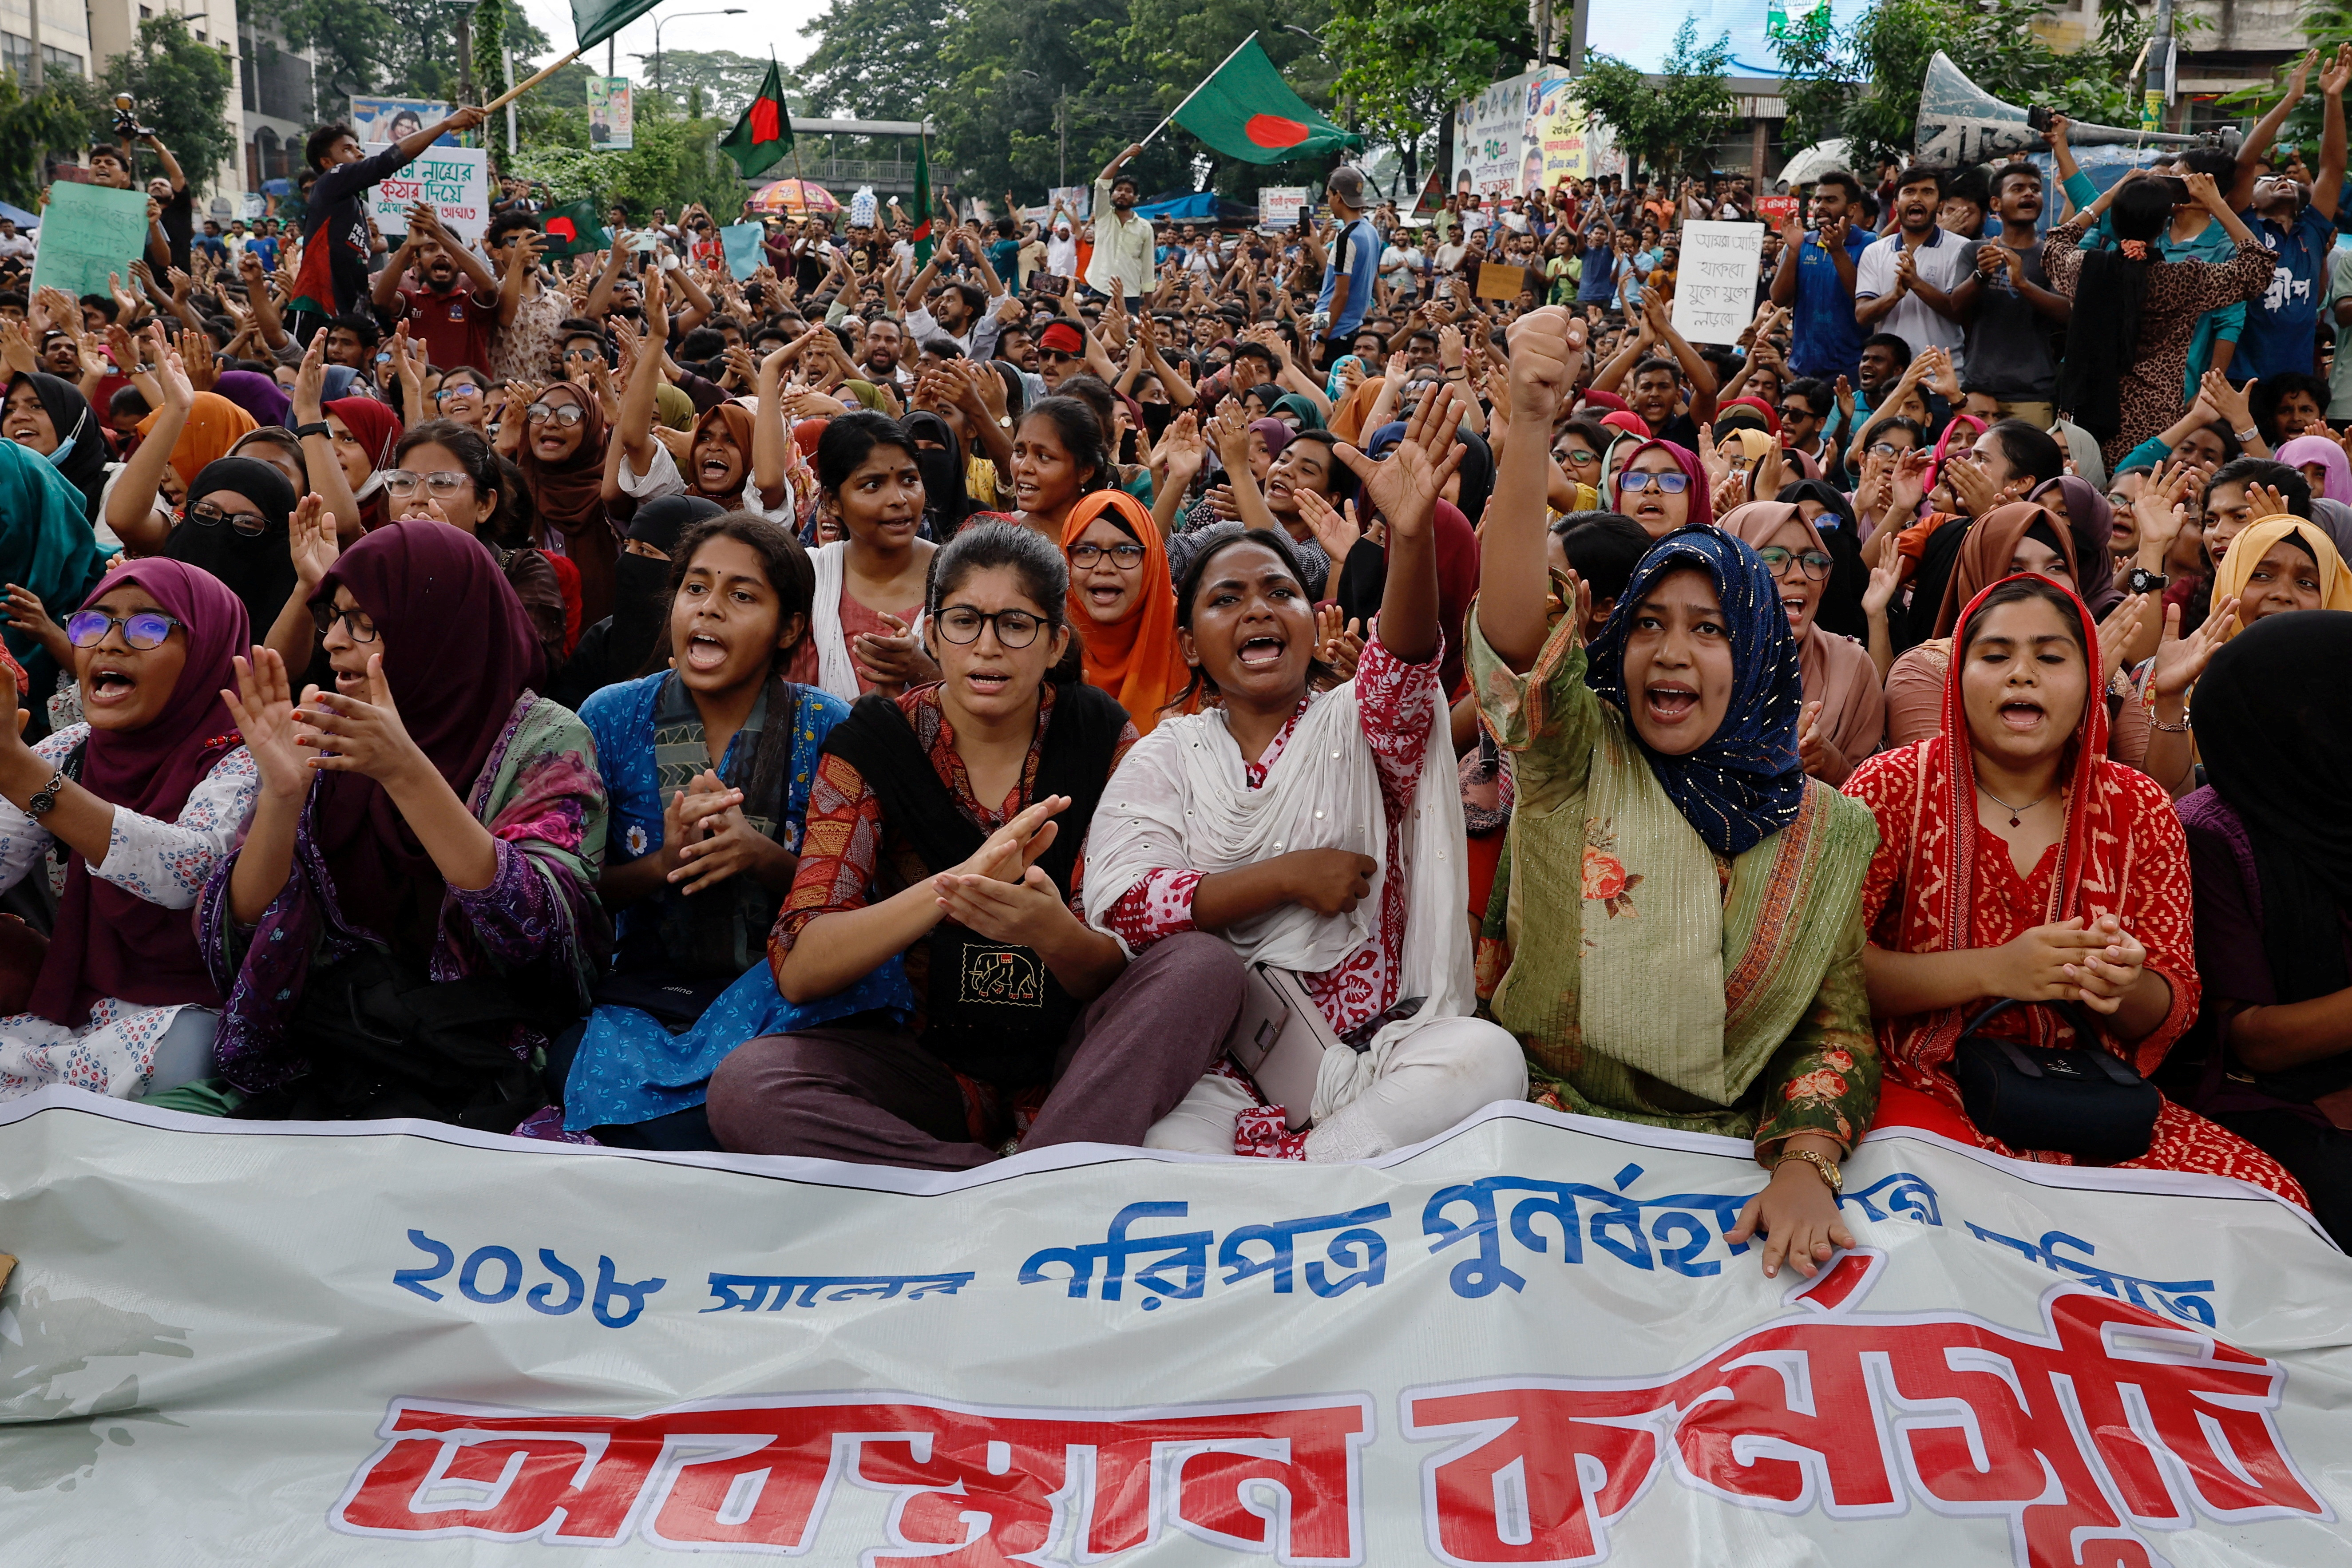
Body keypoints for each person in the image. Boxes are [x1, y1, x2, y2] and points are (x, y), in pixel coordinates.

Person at [1473, 309, 1882, 1281]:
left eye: (1709, 630)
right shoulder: (1577, 752)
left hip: (1712, 1167)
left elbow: (1835, 1029)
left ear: (1760, 655)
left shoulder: (1830, 826)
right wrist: (1529, 432)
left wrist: (1804, 1163)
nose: (1670, 651)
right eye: (1650, 622)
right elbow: (1516, 642)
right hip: (1539, 1134)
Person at [706, 523, 1246, 1168]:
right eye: (964, 621)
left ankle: (1027, 1173)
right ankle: (1017, 1183)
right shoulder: (873, 744)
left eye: (1015, 624)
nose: (987, 647)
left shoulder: (1104, 738)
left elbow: (1119, 965)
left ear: (1054, 644)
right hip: (926, 1059)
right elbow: (800, 966)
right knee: (747, 1089)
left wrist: (1052, 932)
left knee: (1203, 965)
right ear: (931, 636)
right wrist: (953, 886)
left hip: (1081, 1059)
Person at [1091, 383, 1524, 1160]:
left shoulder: (1358, 723)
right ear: (1191, 646)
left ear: (1307, 616)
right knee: (1160, 1150)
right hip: (1222, 1068)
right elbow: (1126, 904)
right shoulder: (1166, 753)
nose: (1258, 609)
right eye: (1226, 599)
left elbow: (1404, 663)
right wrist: (1285, 877)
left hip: (1380, 1054)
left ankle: (1304, 1172)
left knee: (1486, 1061)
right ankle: (1329, 1177)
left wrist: (1411, 533)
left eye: (1280, 591)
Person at [1845, 573, 2304, 1202]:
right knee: (1943, 1216)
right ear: (1957, 678)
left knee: (2264, 1199)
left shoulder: (2139, 807)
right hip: (1915, 1079)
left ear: (2091, 681)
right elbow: (1835, 969)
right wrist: (1996, 971)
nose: (2021, 674)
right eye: (1995, 655)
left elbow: (2173, 1004)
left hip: (2086, 1098)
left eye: (2051, 657)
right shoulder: (1891, 788)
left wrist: (2117, 985)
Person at [195, 522, 608, 1125]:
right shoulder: (324, 726)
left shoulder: (545, 738)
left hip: (482, 1060)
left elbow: (545, 937)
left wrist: (406, 773)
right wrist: (283, 800)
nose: (334, 642)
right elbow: (238, 934)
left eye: (363, 620)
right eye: (332, 617)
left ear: (438, 624)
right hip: (332, 1050)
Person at [562, 515, 881, 1148]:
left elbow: (863, 902)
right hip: (644, 998)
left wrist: (762, 858)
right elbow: (572, 892)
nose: (709, 610)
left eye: (742, 595)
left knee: (759, 1103)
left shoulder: (828, 726)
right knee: (604, 1096)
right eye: (695, 588)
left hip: (782, 996)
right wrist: (663, 863)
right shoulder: (610, 715)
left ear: (789, 627)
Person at [0, 563, 257, 1101]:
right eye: (93, 623)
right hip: (77, 1003)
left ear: (207, 651)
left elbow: (193, 870)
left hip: (197, 1010)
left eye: (148, 628)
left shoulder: (247, 755)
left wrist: (28, 780)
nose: (111, 645)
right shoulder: (71, 749)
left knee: (188, 1057)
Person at [2181, 611, 2352, 1243]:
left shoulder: (2338, 799)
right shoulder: (2210, 835)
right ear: (2298, 718)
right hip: (2273, 1103)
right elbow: (2252, 1041)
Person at [2046, 171, 2272, 469]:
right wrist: (2216, 203)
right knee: (2138, 496)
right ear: (2164, 223)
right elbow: (2259, 267)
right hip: (2155, 418)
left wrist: (2109, 195)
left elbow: (2055, 244)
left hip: (2082, 413)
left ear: (2115, 218)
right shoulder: (2183, 280)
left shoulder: (2084, 267)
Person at [290, 104, 491, 338]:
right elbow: (387, 162)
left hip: (347, 317)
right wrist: (446, 124)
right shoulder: (330, 181)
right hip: (318, 311)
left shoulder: (351, 207)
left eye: (358, 148)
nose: (359, 154)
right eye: (347, 149)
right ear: (326, 162)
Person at [1720, 501, 1885, 785]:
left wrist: (1832, 764)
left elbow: (1881, 808)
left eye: (1812, 560)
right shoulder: (1693, 660)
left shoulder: (1850, 667)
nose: (1799, 576)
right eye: (1773, 557)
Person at [388, 420, 569, 671]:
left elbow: (528, 669)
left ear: (484, 505)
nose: (417, 498)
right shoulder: (378, 570)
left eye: (442, 483)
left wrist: (453, 570)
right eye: (404, 482)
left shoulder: (524, 572)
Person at [792, 412, 938, 701]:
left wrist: (921, 670)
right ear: (833, 502)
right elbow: (792, 713)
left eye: (909, 479)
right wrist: (876, 707)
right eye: (873, 485)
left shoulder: (961, 576)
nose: (899, 499)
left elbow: (994, 706)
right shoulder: (808, 578)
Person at [550, 495, 722, 710]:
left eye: (645, 551)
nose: (626, 562)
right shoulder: (605, 636)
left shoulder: (714, 644)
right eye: (627, 548)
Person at [1061, 486, 1189, 735]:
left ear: (1152, 561)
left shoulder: (1191, 640)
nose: (1105, 567)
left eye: (1125, 551)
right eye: (1086, 551)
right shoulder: (1043, 644)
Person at [1854, 165, 1970, 370]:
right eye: (1909, 192)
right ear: (1897, 204)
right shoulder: (1875, 251)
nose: (1917, 199)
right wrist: (1895, 295)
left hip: (1942, 378)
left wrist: (1916, 283)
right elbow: (1863, 315)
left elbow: (1961, 313)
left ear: (1941, 204)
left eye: (1927, 192)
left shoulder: (1961, 249)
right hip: (1891, 382)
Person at [1769, 171, 1871, 385]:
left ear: (1852, 208)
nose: (1820, 206)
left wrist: (1838, 252)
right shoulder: (1801, 241)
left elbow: (1864, 304)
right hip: (1802, 369)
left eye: (1831, 200)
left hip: (1852, 372)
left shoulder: (1871, 245)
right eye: (1818, 200)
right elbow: (1779, 299)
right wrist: (1794, 251)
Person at [1086, 144, 1155, 306]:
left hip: (1129, 293)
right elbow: (1102, 182)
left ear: (1136, 198)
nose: (1123, 193)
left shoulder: (1145, 228)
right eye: (1119, 189)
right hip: (1098, 287)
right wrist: (1125, 154)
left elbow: (1147, 265)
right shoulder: (1103, 215)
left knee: (1125, 331)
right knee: (1093, 330)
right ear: (1112, 194)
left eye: (1129, 191)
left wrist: (1148, 300)